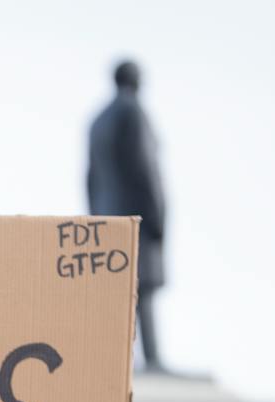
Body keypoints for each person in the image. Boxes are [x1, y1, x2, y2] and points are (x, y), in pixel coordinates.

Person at [88, 58, 167, 371]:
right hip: (137, 215)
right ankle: (152, 359)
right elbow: (145, 168)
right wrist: (157, 215)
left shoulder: (97, 120)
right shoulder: (133, 113)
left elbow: (89, 176)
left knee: (122, 292)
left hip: (107, 217)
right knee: (142, 290)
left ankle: (122, 358)